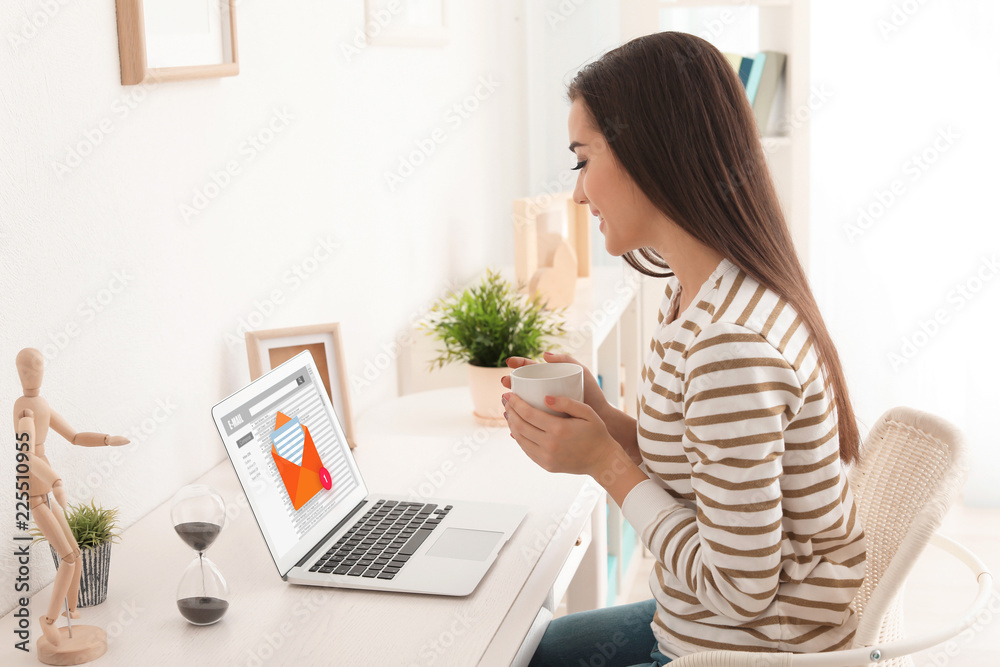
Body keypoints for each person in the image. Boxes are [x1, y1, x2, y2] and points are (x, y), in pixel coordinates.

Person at [503, 32, 867, 666]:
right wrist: (606, 420)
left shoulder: (730, 345)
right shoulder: (702, 295)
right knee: (518, 649)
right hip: (707, 625)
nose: (579, 194)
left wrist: (607, 467)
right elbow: (708, 471)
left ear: (651, 154)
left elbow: (738, 592)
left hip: (739, 649)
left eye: (582, 160)